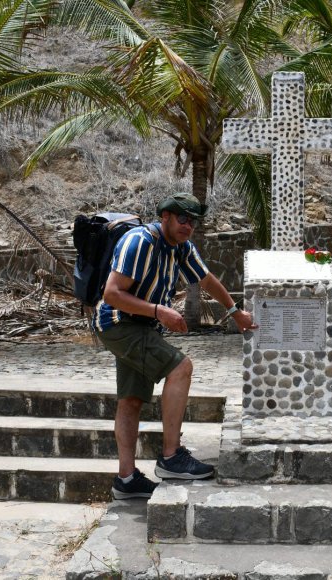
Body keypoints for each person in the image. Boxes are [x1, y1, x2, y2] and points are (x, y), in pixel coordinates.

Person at [95, 192, 257, 499]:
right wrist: (159, 311)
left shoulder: (181, 247)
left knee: (131, 399)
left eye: (193, 221)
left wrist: (235, 311)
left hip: (141, 326)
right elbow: (111, 294)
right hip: (118, 322)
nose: (188, 225)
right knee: (181, 367)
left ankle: (126, 480)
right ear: (165, 217)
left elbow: (206, 279)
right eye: (182, 218)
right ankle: (171, 457)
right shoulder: (139, 242)